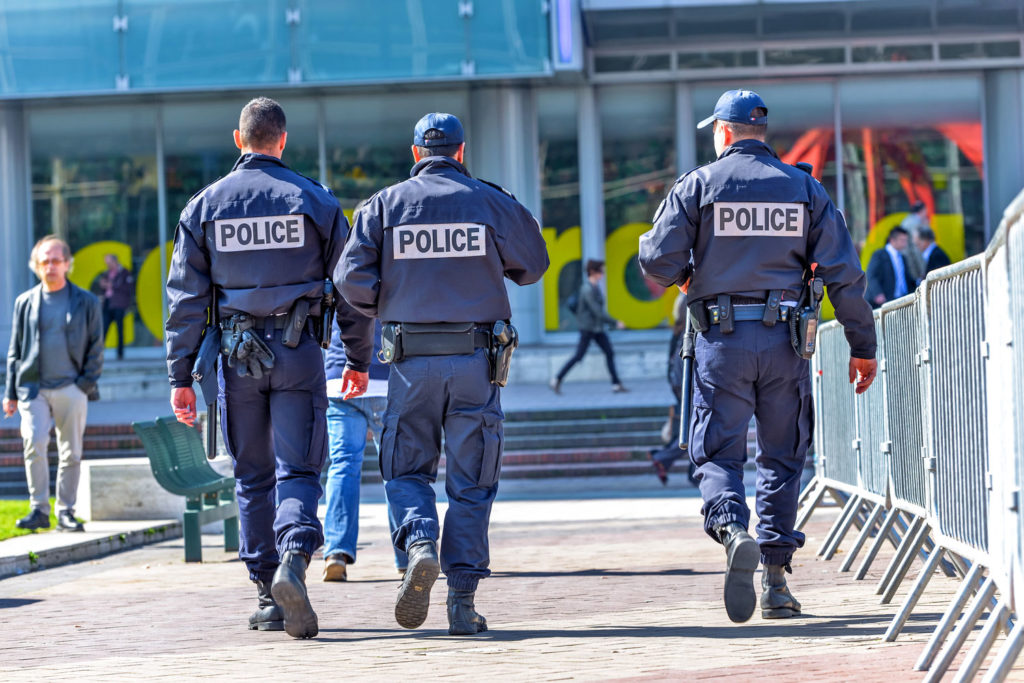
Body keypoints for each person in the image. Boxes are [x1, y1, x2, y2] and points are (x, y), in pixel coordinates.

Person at [639, 89, 878, 624]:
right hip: (786, 343)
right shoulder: (805, 188)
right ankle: (774, 582)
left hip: (720, 342)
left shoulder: (698, 186)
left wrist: (683, 276)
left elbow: (655, 259)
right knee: (782, 456)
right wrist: (863, 346)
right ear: (760, 132)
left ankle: (732, 529)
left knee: (718, 453)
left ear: (723, 133)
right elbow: (845, 273)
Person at [165, 97, 373, 639]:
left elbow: (185, 300)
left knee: (253, 475)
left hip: (236, 360)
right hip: (300, 350)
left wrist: (180, 376)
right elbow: (351, 290)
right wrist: (357, 357)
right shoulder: (316, 201)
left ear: (240, 140)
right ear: (282, 140)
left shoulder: (203, 207)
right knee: (298, 469)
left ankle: (267, 594)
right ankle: (294, 559)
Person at [336, 112, 549, 635]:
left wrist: (390, 301)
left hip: (408, 364)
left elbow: (348, 278)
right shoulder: (489, 200)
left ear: (415, 154)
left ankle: (419, 542)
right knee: (472, 481)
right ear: (460, 151)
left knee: (406, 470)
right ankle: (462, 602)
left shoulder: (384, 205)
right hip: (476, 362)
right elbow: (534, 263)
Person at [4, 235, 104, 533]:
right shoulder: (25, 302)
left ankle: (66, 511)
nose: (50, 266)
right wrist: (10, 393)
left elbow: (96, 347)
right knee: (34, 442)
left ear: (67, 264)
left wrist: (84, 384)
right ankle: (38, 510)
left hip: (71, 387)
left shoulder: (86, 301)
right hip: (33, 389)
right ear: (36, 266)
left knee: (70, 451)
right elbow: (15, 351)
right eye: (44, 261)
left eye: (56, 260)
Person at [322, 318, 408, 581]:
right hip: (386, 376)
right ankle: (408, 554)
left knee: (343, 466)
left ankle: (336, 552)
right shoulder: (395, 274)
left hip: (340, 377)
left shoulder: (336, 274)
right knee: (395, 469)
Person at [549, 259, 627, 394]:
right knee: (579, 356)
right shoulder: (587, 289)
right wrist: (615, 322)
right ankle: (556, 379)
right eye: (600, 271)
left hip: (596, 328)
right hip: (588, 328)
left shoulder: (595, 287)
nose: (602, 274)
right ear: (592, 272)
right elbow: (597, 311)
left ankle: (616, 384)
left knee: (609, 352)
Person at [865, 226, 915, 308]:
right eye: (902, 240)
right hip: (883, 301)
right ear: (892, 240)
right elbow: (871, 275)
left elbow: (907, 279)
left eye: (906, 241)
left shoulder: (903, 258)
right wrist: (877, 293)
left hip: (901, 300)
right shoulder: (879, 254)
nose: (905, 244)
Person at [98, 253, 134, 359]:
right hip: (108, 303)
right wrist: (103, 285)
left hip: (119, 304)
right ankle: (98, 354)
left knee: (120, 330)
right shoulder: (106, 273)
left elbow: (128, 289)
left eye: (109, 263)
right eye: (106, 263)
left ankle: (120, 354)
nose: (108, 265)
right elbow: (103, 288)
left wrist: (111, 285)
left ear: (115, 261)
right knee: (103, 329)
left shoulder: (124, 272)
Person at [899, 200, 929, 283]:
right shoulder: (916, 224)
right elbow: (916, 248)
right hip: (911, 264)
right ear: (922, 211)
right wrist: (922, 271)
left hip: (905, 261)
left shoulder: (907, 220)